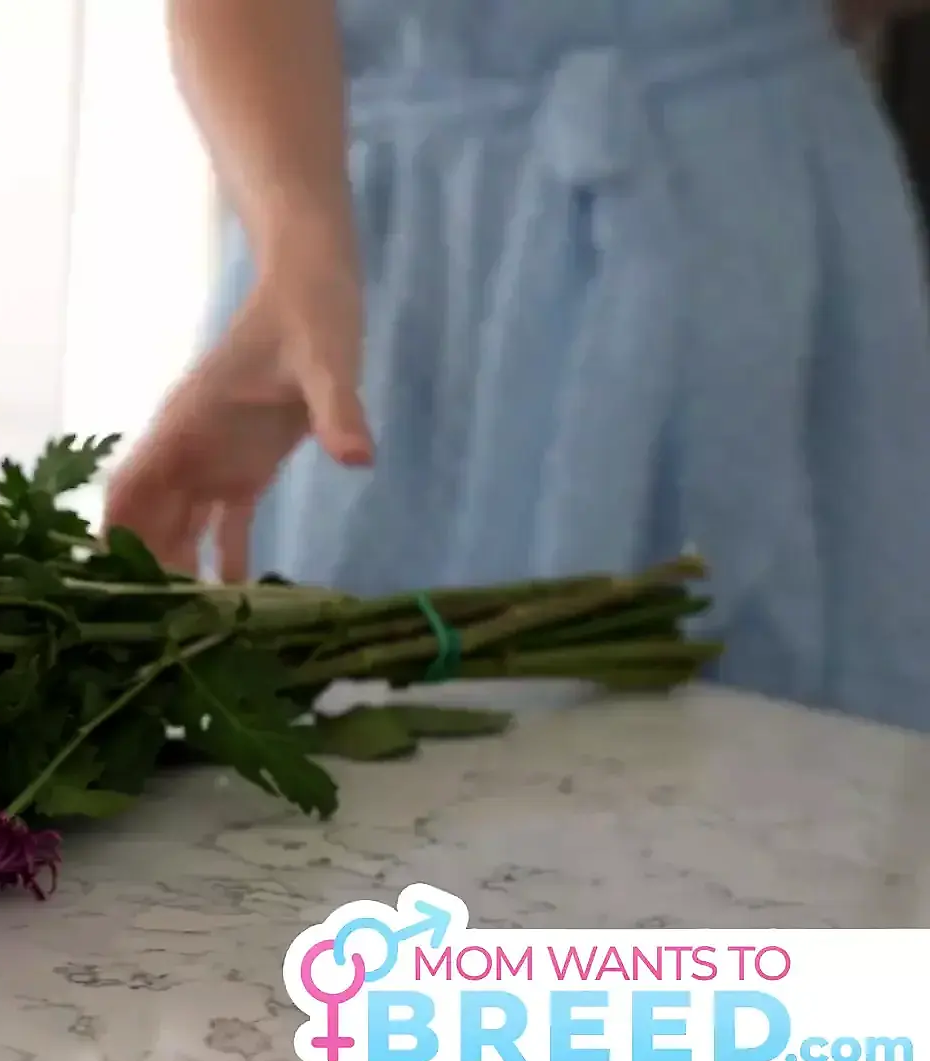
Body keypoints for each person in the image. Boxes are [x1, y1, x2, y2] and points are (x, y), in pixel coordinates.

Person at [103, 0, 930, 731]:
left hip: (769, 226)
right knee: (382, 752)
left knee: (809, 776)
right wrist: (301, 258)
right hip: (411, 268)